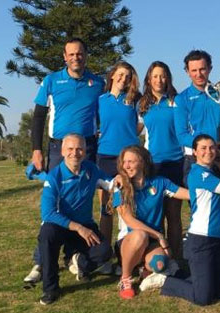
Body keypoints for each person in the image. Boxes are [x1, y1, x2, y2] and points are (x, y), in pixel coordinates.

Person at [24, 37, 105, 284]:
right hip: (59, 148)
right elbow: (38, 117)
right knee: (54, 201)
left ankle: (74, 255)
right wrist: (36, 150)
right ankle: (41, 260)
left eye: (80, 54)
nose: (75, 58)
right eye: (71, 54)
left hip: (88, 147)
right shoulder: (51, 81)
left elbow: (105, 115)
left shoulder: (97, 83)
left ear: (86, 55)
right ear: (64, 57)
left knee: (80, 200)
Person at [173, 50, 220, 290]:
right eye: (194, 70)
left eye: (203, 68)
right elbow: (181, 134)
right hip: (197, 164)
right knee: (201, 218)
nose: (199, 74)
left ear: (210, 68)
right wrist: (207, 148)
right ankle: (201, 268)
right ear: (187, 72)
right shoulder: (182, 99)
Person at [160, 136, 220, 306]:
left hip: (216, 239)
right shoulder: (198, 173)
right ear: (195, 152)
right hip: (201, 241)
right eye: (203, 148)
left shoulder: (210, 172)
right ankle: (165, 282)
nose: (208, 151)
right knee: (202, 298)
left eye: (212, 148)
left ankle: (196, 280)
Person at [36, 134, 113, 305]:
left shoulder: (91, 169)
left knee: (105, 251)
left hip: (84, 225)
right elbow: (47, 214)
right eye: (70, 149)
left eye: (79, 149)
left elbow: (110, 182)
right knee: (46, 234)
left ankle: (77, 261)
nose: (75, 153)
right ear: (62, 151)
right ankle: (51, 288)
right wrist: (78, 227)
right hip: (60, 225)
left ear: (85, 151)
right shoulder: (54, 176)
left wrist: (119, 180)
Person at [111, 145, 189, 299]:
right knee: (140, 235)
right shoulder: (120, 186)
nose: (126, 166)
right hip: (130, 241)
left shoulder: (159, 182)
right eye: (124, 162)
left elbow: (186, 194)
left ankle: (145, 270)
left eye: (131, 162)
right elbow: (128, 219)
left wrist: (209, 187)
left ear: (143, 162)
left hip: (151, 243)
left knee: (160, 264)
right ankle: (125, 278)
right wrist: (159, 236)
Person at [137, 61, 184, 260]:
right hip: (153, 166)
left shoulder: (176, 101)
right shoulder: (142, 104)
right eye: (155, 76)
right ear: (149, 79)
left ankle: (176, 258)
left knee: (173, 215)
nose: (159, 80)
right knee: (156, 214)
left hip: (176, 163)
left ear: (168, 78)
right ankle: (158, 257)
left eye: (163, 76)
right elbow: (136, 130)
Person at [96, 61, 142, 263]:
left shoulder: (134, 100)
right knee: (107, 208)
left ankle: (128, 253)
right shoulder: (100, 100)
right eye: (121, 75)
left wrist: (130, 136)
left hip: (128, 158)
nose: (124, 79)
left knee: (128, 205)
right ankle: (105, 256)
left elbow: (141, 123)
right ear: (113, 75)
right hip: (104, 156)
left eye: (128, 76)